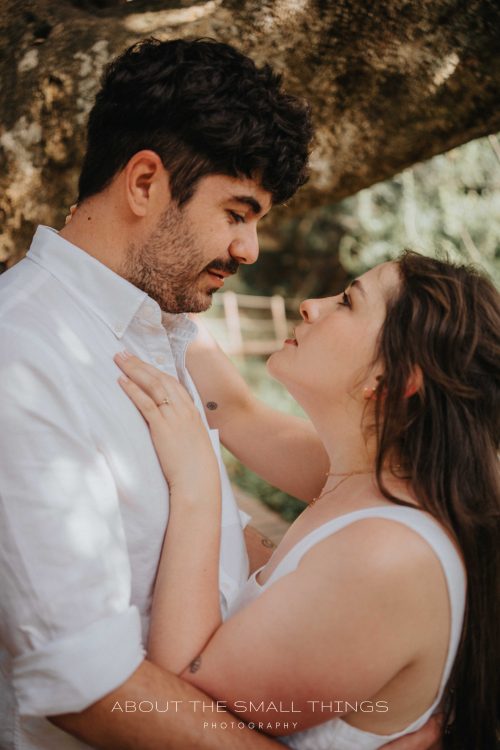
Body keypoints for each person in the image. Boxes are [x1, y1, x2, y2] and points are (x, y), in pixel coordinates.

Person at [0, 36, 441, 750]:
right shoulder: (22, 357)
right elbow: (90, 691)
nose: (249, 250)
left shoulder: (161, 327)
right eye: (237, 213)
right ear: (145, 183)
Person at [115, 251, 500, 750]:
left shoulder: (387, 555)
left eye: (348, 302)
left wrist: (197, 487)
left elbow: (181, 703)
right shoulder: (365, 475)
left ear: (391, 379)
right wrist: (155, 261)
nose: (311, 306)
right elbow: (233, 411)